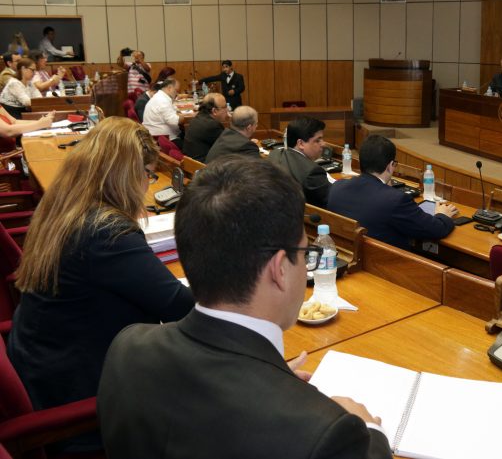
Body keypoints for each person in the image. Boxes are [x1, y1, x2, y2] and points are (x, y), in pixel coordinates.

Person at [97, 157, 391, 459]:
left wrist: (269, 376)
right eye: (305, 252)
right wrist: (370, 430)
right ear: (279, 269)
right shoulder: (325, 434)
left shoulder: (126, 348)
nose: (305, 265)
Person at [8, 117, 194, 452]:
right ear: (126, 175)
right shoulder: (106, 232)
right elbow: (180, 307)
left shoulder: (62, 206)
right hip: (78, 394)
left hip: (46, 363)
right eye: (148, 174)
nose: (147, 184)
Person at [328, 135, 458, 249]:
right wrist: (443, 215)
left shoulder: (337, 187)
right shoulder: (396, 200)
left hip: (347, 255)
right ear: (390, 165)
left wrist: (386, 190)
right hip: (385, 264)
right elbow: (435, 230)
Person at [268, 117, 332, 208]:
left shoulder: (275, 153)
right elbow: (332, 200)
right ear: (301, 143)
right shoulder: (313, 173)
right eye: (317, 140)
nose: (323, 144)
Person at [142, 77, 189, 147]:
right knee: (191, 144)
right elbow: (174, 121)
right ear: (169, 88)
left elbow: (174, 110)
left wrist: (181, 115)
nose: (177, 93)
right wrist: (187, 116)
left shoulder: (162, 97)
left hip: (161, 135)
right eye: (176, 90)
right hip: (162, 138)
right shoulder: (162, 100)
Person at [183, 93, 228, 161]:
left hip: (192, 162)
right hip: (203, 164)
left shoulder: (199, 117)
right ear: (214, 111)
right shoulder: (212, 125)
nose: (227, 110)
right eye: (225, 107)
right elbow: (229, 145)